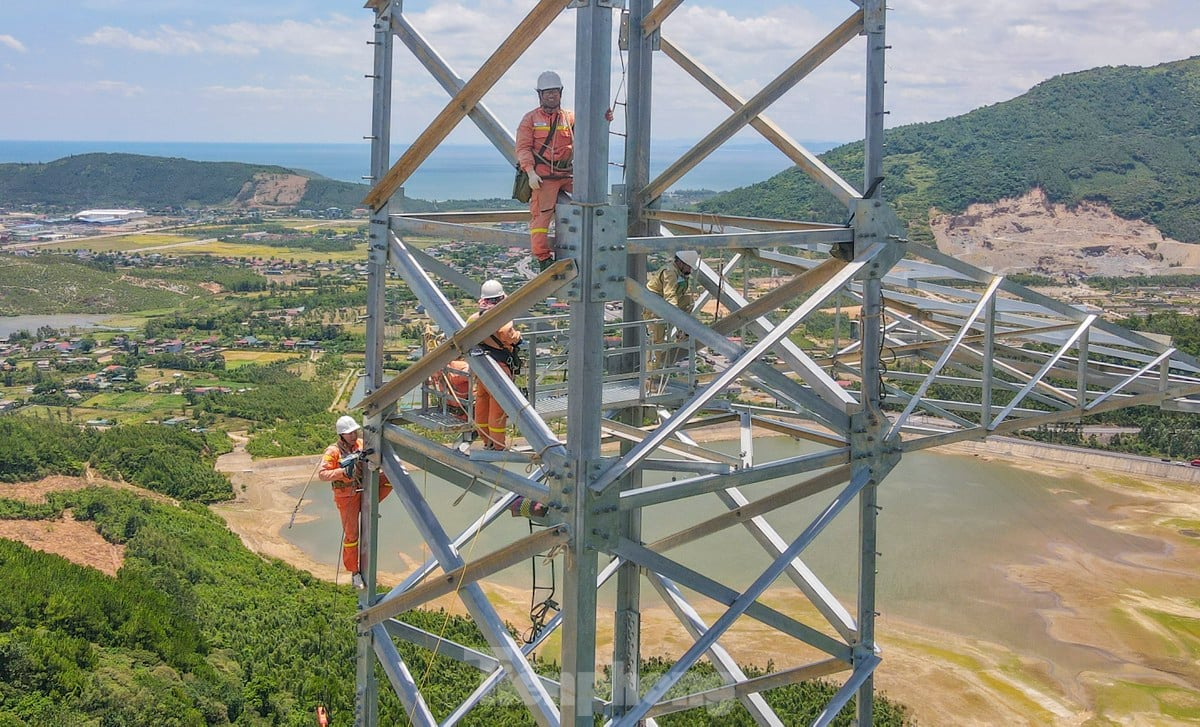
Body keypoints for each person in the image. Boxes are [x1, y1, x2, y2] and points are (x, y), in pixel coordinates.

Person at [318, 415, 392, 589]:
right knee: (351, 535)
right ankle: (354, 572)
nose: (353, 435)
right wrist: (343, 472)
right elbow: (322, 474)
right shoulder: (333, 451)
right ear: (341, 435)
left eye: (354, 432)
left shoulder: (360, 444)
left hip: (363, 488)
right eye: (349, 433)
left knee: (390, 478)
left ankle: (371, 503)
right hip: (347, 495)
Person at [516, 70, 576, 271]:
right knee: (541, 217)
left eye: (554, 92)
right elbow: (523, 148)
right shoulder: (531, 119)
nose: (551, 96)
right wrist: (530, 172)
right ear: (540, 95)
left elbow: (592, 128)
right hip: (544, 177)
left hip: (568, 173)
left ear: (560, 93)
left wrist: (606, 118)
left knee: (592, 199)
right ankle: (543, 258)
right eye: (547, 92)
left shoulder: (569, 118)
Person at [467, 280, 523, 450]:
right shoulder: (501, 318)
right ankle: (498, 445)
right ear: (500, 298)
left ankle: (487, 441)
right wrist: (518, 337)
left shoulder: (474, 318)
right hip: (499, 366)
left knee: (482, 401)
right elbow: (508, 334)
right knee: (498, 406)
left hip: (482, 365)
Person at [645, 250, 699, 371]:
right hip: (655, 307)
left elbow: (680, 297)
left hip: (664, 305)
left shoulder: (680, 273)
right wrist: (675, 316)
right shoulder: (670, 272)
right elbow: (670, 296)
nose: (690, 270)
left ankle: (682, 332)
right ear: (681, 263)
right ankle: (651, 376)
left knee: (689, 300)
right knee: (656, 342)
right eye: (689, 266)